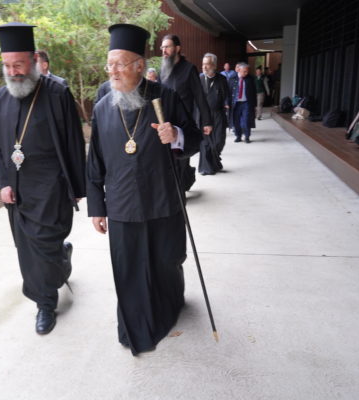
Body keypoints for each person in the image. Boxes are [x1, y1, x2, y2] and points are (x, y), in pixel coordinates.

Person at [87, 24, 202, 355]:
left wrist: (176, 135)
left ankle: (169, 306)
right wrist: (97, 207)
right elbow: (94, 162)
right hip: (122, 205)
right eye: (109, 64)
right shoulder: (102, 108)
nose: (113, 71)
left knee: (166, 262)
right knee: (129, 270)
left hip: (162, 199)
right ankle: (135, 328)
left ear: (139, 65)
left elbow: (194, 138)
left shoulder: (166, 98)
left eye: (120, 64)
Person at [0, 23, 86, 335]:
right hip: (17, 189)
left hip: (51, 186)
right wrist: (3, 182)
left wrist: (77, 186)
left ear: (33, 61)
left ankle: (47, 299)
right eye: (7, 66)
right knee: (27, 250)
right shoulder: (0, 97)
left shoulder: (57, 93)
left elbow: (73, 141)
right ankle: (51, 285)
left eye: (18, 65)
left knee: (44, 245)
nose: (12, 72)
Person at [159, 34, 212, 191]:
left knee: (181, 158)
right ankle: (184, 180)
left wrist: (207, 121)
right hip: (167, 122)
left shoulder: (189, 69)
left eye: (167, 47)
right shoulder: (163, 70)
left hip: (184, 123)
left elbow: (199, 96)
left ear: (177, 48)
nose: (164, 51)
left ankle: (180, 190)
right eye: (162, 47)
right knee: (170, 160)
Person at [198, 52, 229, 175]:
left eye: (207, 64)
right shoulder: (199, 79)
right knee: (205, 143)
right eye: (203, 64)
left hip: (218, 114)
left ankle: (215, 162)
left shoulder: (222, 79)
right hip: (203, 115)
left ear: (214, 66)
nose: (204, 67)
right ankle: (206, 168)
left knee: (219, 141)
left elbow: (226, 96)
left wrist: (227, 104)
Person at [229, 62, 257, 143]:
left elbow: (253, 92)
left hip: (246, 103)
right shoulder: (232, 79)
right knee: (236, 121)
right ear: (239, 70)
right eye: (244, 71)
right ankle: (238, 136)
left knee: (246, 120)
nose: (246, 73)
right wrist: (226, 103)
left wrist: (254, 104)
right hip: (236, 103)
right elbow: (228, 91)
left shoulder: (250, 79)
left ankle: (247, 137)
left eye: (247, 71)